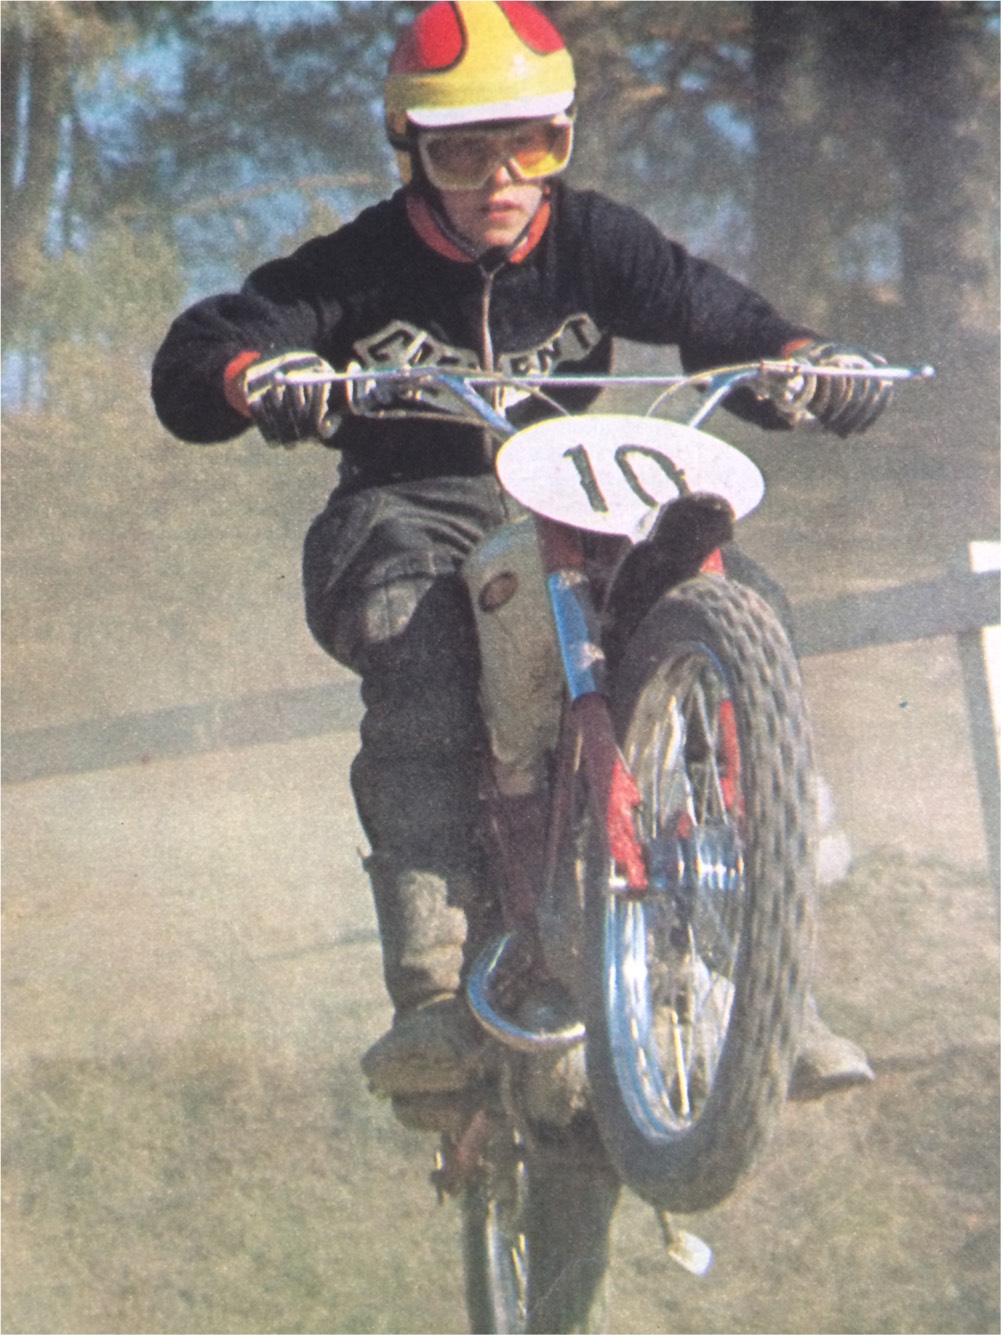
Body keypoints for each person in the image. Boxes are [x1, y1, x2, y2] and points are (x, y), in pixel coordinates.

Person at [152, 0, 884, 1111]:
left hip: (578, 493)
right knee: (417, 642)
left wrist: (799, 359)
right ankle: (430, 989)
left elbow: (713, 313)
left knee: (738, 596)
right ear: (410, 151)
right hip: (410, 505)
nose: (501, 178)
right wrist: (256, 378)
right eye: (463, 153)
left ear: (562, 140)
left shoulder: (593, 240)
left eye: (532, 145)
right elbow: (208, 344)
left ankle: (769, 988)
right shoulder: (360, 262)